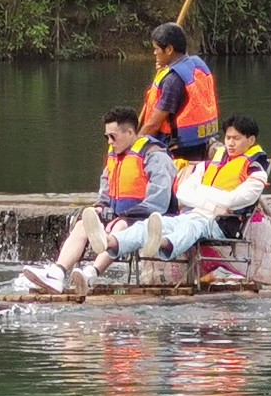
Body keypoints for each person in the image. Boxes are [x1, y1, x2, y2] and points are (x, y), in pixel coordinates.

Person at [22, 107, 173, 292]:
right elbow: (105, 189)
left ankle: (90, 275)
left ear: (130, 132)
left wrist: (126, 214)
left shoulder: (154, 155)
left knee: (119, 227)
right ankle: (57, 274)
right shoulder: (114, 155)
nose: (109, 142)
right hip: (117, 214)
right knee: (83, 223)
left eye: (113, 136)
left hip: (143, 217)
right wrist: (101, 207)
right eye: (106, 137)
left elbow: (160, 199)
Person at [155, 116, 271, 264]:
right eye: (228, 138)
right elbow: (182, 194)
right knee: (166, 222)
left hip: (223, 223)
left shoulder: (254, 170)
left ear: (251, 140)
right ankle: (132, 240)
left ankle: (162, 243)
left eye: (236, 138)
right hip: (197, 214)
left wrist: (200, 190)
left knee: (192, 226)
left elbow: (231, 201)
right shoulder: (211, 165)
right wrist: (212, 204)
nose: (230, 143)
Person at [138, 23, 219, 167]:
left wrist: (135, 145)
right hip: (201, 141)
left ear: (169, 49)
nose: (154, 53)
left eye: (156, 49)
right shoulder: (198, 64)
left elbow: (154, 124)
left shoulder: (173, 80)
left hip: (179, 149)